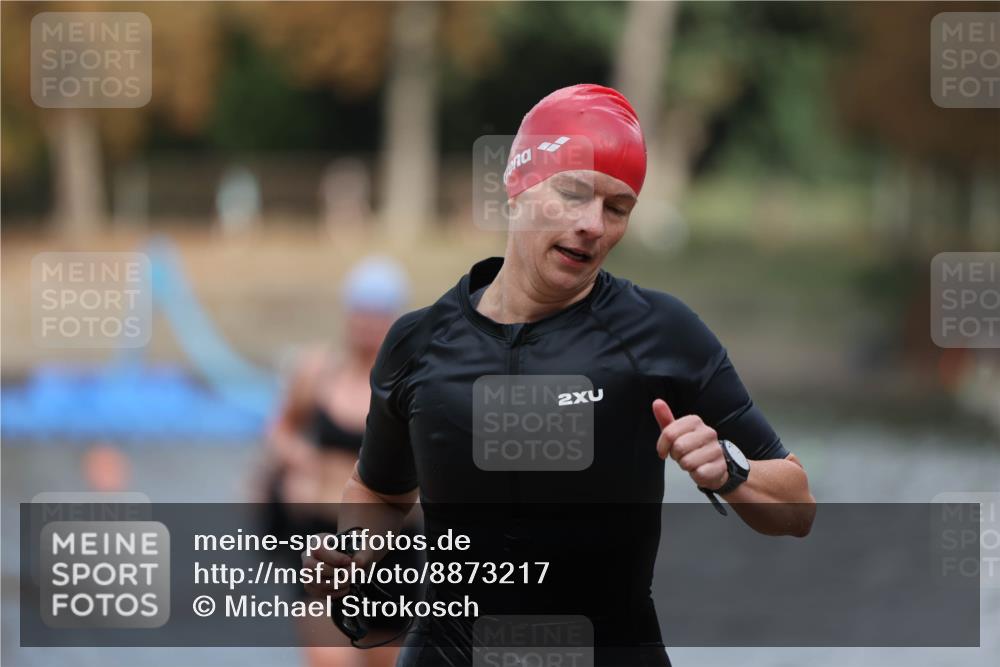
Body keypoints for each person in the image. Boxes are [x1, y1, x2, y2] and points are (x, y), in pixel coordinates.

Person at [303, 84, 816, 666]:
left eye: (617, 208)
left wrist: (732, 470)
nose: (593, 225)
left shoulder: (661, 334)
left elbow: (798, 507)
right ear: (518, 183)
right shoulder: (420, 343)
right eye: (573, 194)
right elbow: (379, 491)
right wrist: (352, 552)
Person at [262, 256, 414, 667]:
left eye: (377, 315)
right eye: (360, 313)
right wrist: (298, 458)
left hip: (390, 549)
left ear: (395, 319)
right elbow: (280, 429)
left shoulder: (410, 382)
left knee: (386, 660)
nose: (367, 325)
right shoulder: (317, 371)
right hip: (324, 537)